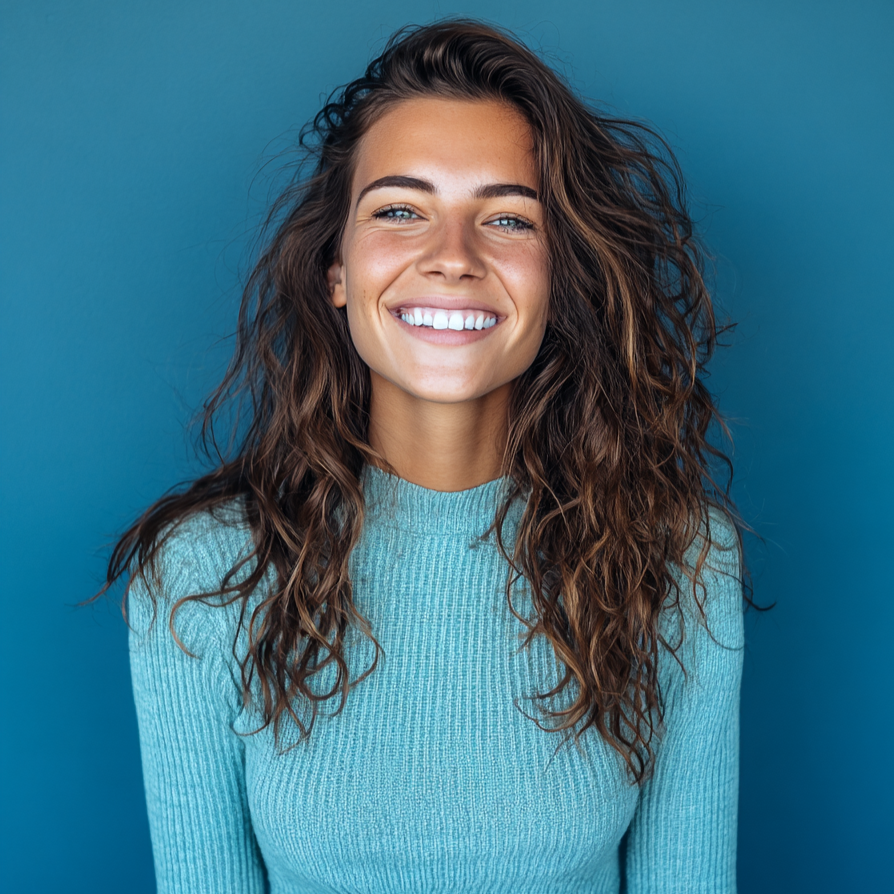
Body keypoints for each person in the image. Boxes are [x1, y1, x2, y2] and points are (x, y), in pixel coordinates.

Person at [99, 18, 750, 894]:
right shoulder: (203, 575)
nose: (453, 258)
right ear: (337, 268)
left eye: (509, 219)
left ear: (561, 276)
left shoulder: (678, 560)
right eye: (401, 211)